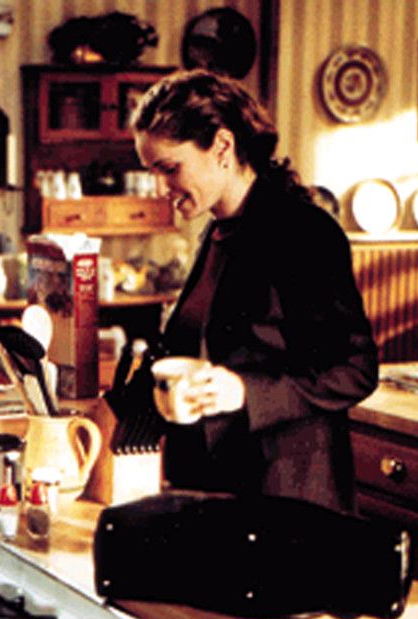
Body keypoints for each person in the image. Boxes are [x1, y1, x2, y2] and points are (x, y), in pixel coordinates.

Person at [129, 69, 378, 512]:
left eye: (169, 168)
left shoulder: (303, 233)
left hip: (286, 499)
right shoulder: (218, 231)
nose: (160, 188)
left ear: (222, 147)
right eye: (152, 171)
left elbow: (355, 369)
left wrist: (246, 392)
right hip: (217, 491)